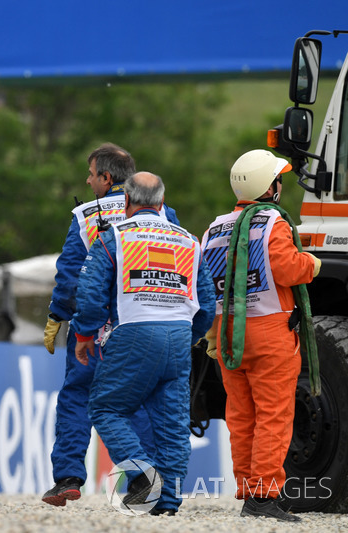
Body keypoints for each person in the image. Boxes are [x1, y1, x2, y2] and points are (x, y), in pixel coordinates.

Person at [41, 144, 178, 507]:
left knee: (76, 396)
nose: (87, 182)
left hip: (91, 325)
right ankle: (147, 482)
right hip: (143, 325)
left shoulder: (85, 215)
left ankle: (68, 478)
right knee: (139, 402)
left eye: (90, 175)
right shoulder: (165, 213)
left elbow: (70, 275)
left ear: (106, 177)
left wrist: (58, 315)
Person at [72, 172, 215, 516]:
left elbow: (90, 296)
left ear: (126, 203)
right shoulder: (188, 240)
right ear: (162, 203)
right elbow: (208, 303)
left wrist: (83, 335)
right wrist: (190, 335)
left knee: (106, 408)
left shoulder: (114, 237)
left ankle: (141, 476)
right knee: (172, 423)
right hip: (179, 336)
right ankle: (167, 503)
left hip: (134, 333)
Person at [201, 150, 320, 522]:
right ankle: (264, 496)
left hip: (227, 335)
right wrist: (312, 263)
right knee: (273, 415)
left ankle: (248, 490)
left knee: (241, 415)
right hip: (270, 334)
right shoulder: (273, 222)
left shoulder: (214, 227)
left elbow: (206, 282)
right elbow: (287, 269)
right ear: (270, 187)